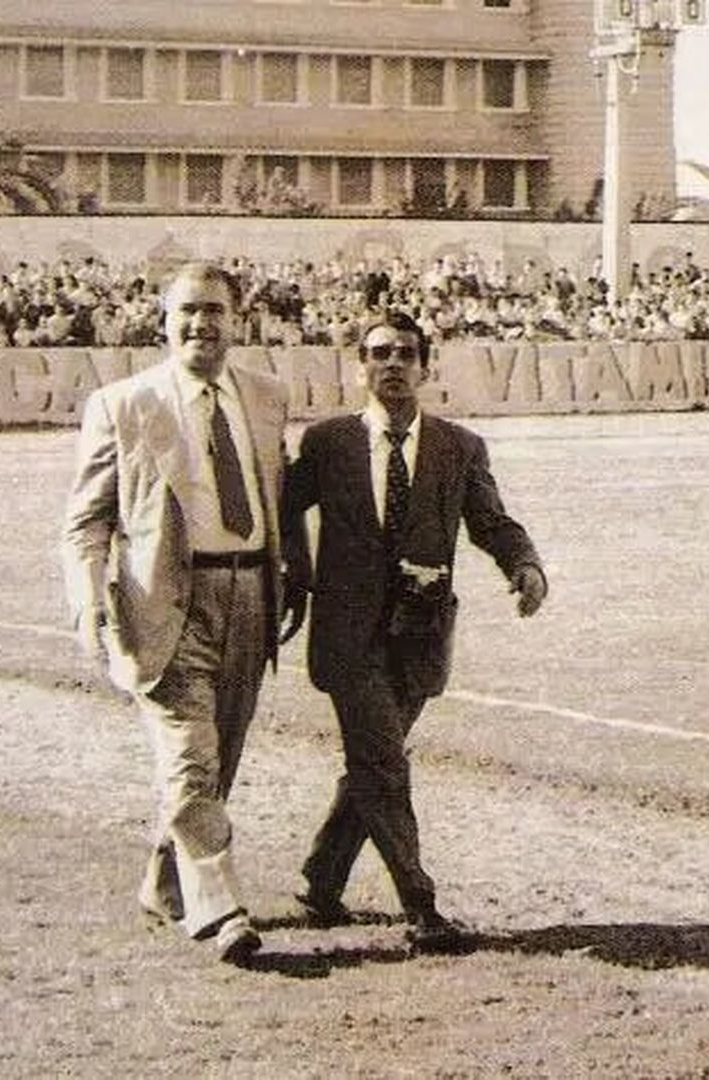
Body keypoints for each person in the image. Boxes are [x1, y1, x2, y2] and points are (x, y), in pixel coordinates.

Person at [60, 261, 305, 967]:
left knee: (216, 762)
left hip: (252, 596)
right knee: (192, 761)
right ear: (163, 321)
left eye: (215, 311)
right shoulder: (122, 405)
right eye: (187, 312)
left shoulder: (265, 396)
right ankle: (221, 911)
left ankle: (165, 884)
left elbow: (277, 496)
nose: (201, 324)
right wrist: (87, 601)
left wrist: (295, 580)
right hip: (166, 602)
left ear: (238, 319)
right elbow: (87, 520)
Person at [282, 310, 547, 954]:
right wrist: (298, 575)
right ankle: (421, 907)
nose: (392, 364)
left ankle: (321, 884)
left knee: (375, 766)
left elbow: (490, 521)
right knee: (382, 764)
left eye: (405, 353)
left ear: (426, 367)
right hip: (348, 636)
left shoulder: (458, 448)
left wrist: (525, 564)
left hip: (420, 634)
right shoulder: (328, 444)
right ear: (360, 367)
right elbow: (283, 511)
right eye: (379, 353)